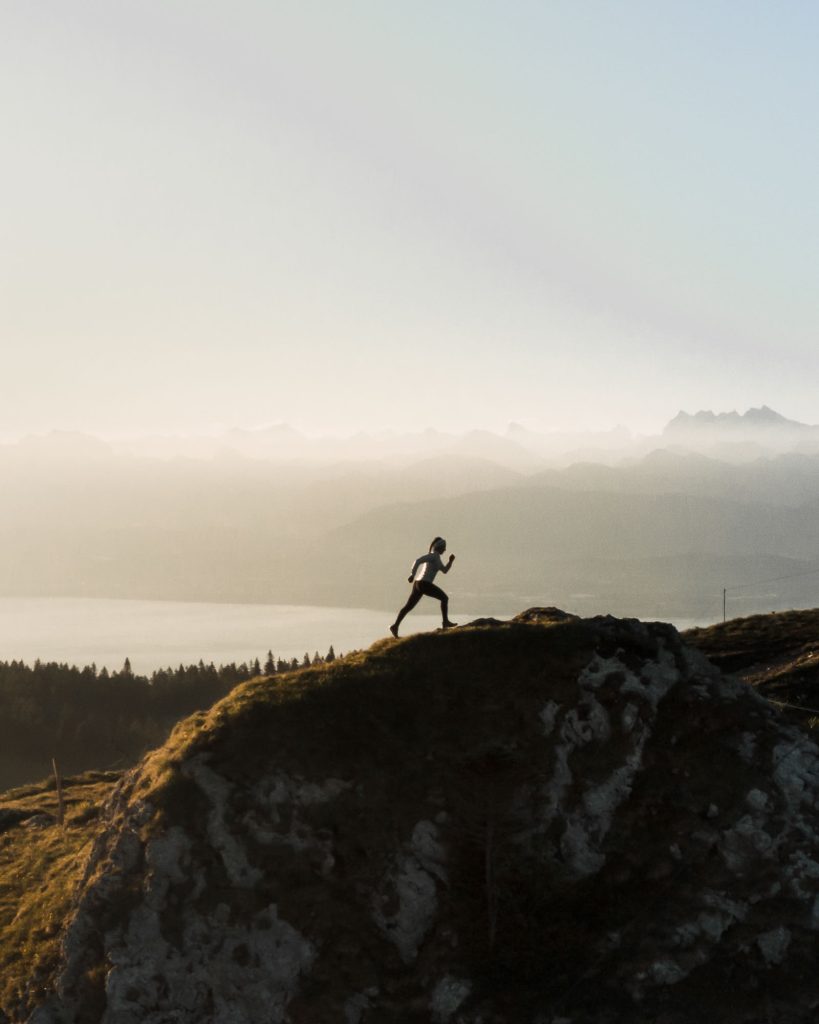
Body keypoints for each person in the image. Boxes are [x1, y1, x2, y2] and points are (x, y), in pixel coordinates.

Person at [390, 537, 457, 637]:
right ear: (439, 547)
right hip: (424, 583)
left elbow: (444, 570)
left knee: (408, 606)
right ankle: (445, 622)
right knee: (444, 598)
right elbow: (418, 560)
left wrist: (450, 561)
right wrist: (412, 574)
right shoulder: (433, 556)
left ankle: (395, 626)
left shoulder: (437, 558)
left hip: (418, 584)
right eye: (444, 547)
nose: (445, 550)